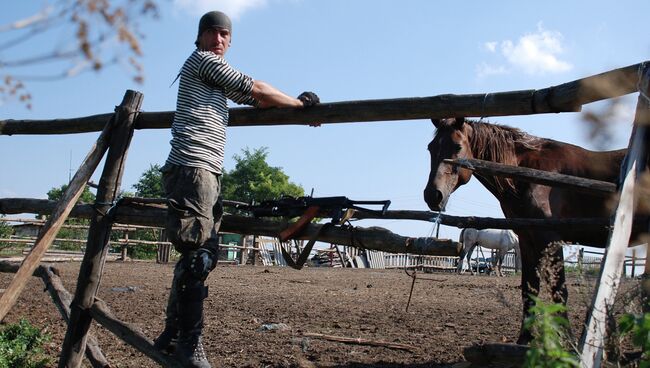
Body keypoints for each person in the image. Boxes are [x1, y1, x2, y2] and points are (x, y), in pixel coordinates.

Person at [153, 10, 320, 368]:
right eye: (211, 33)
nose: (217, 40)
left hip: (204, 171)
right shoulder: (202, 62)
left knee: (201, 253)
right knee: (198, 255)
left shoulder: (214, 76)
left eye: (224, 35)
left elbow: (257, 99)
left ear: (230, 40)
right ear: (199, 38)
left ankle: (172, 334)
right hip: (193, 168)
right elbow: (256, 87)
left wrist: (293, 101)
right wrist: (301, 106)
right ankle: (188, 346)